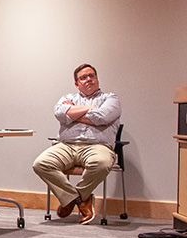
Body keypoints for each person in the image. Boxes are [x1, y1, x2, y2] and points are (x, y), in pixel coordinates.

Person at [31, 64, 121, 225]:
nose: (88, 80)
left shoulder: (111, 99)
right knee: (41, 164)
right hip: (67, 145)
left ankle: (73, 199)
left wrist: (71, 114)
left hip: (97, 146)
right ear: (76, 83)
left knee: (101, 164)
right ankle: (80, 200)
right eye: (83, 77)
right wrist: (89, 108)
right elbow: (59, 112)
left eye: (91, 76)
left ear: (97, 78)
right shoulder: (68, 97)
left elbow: (102, 117)